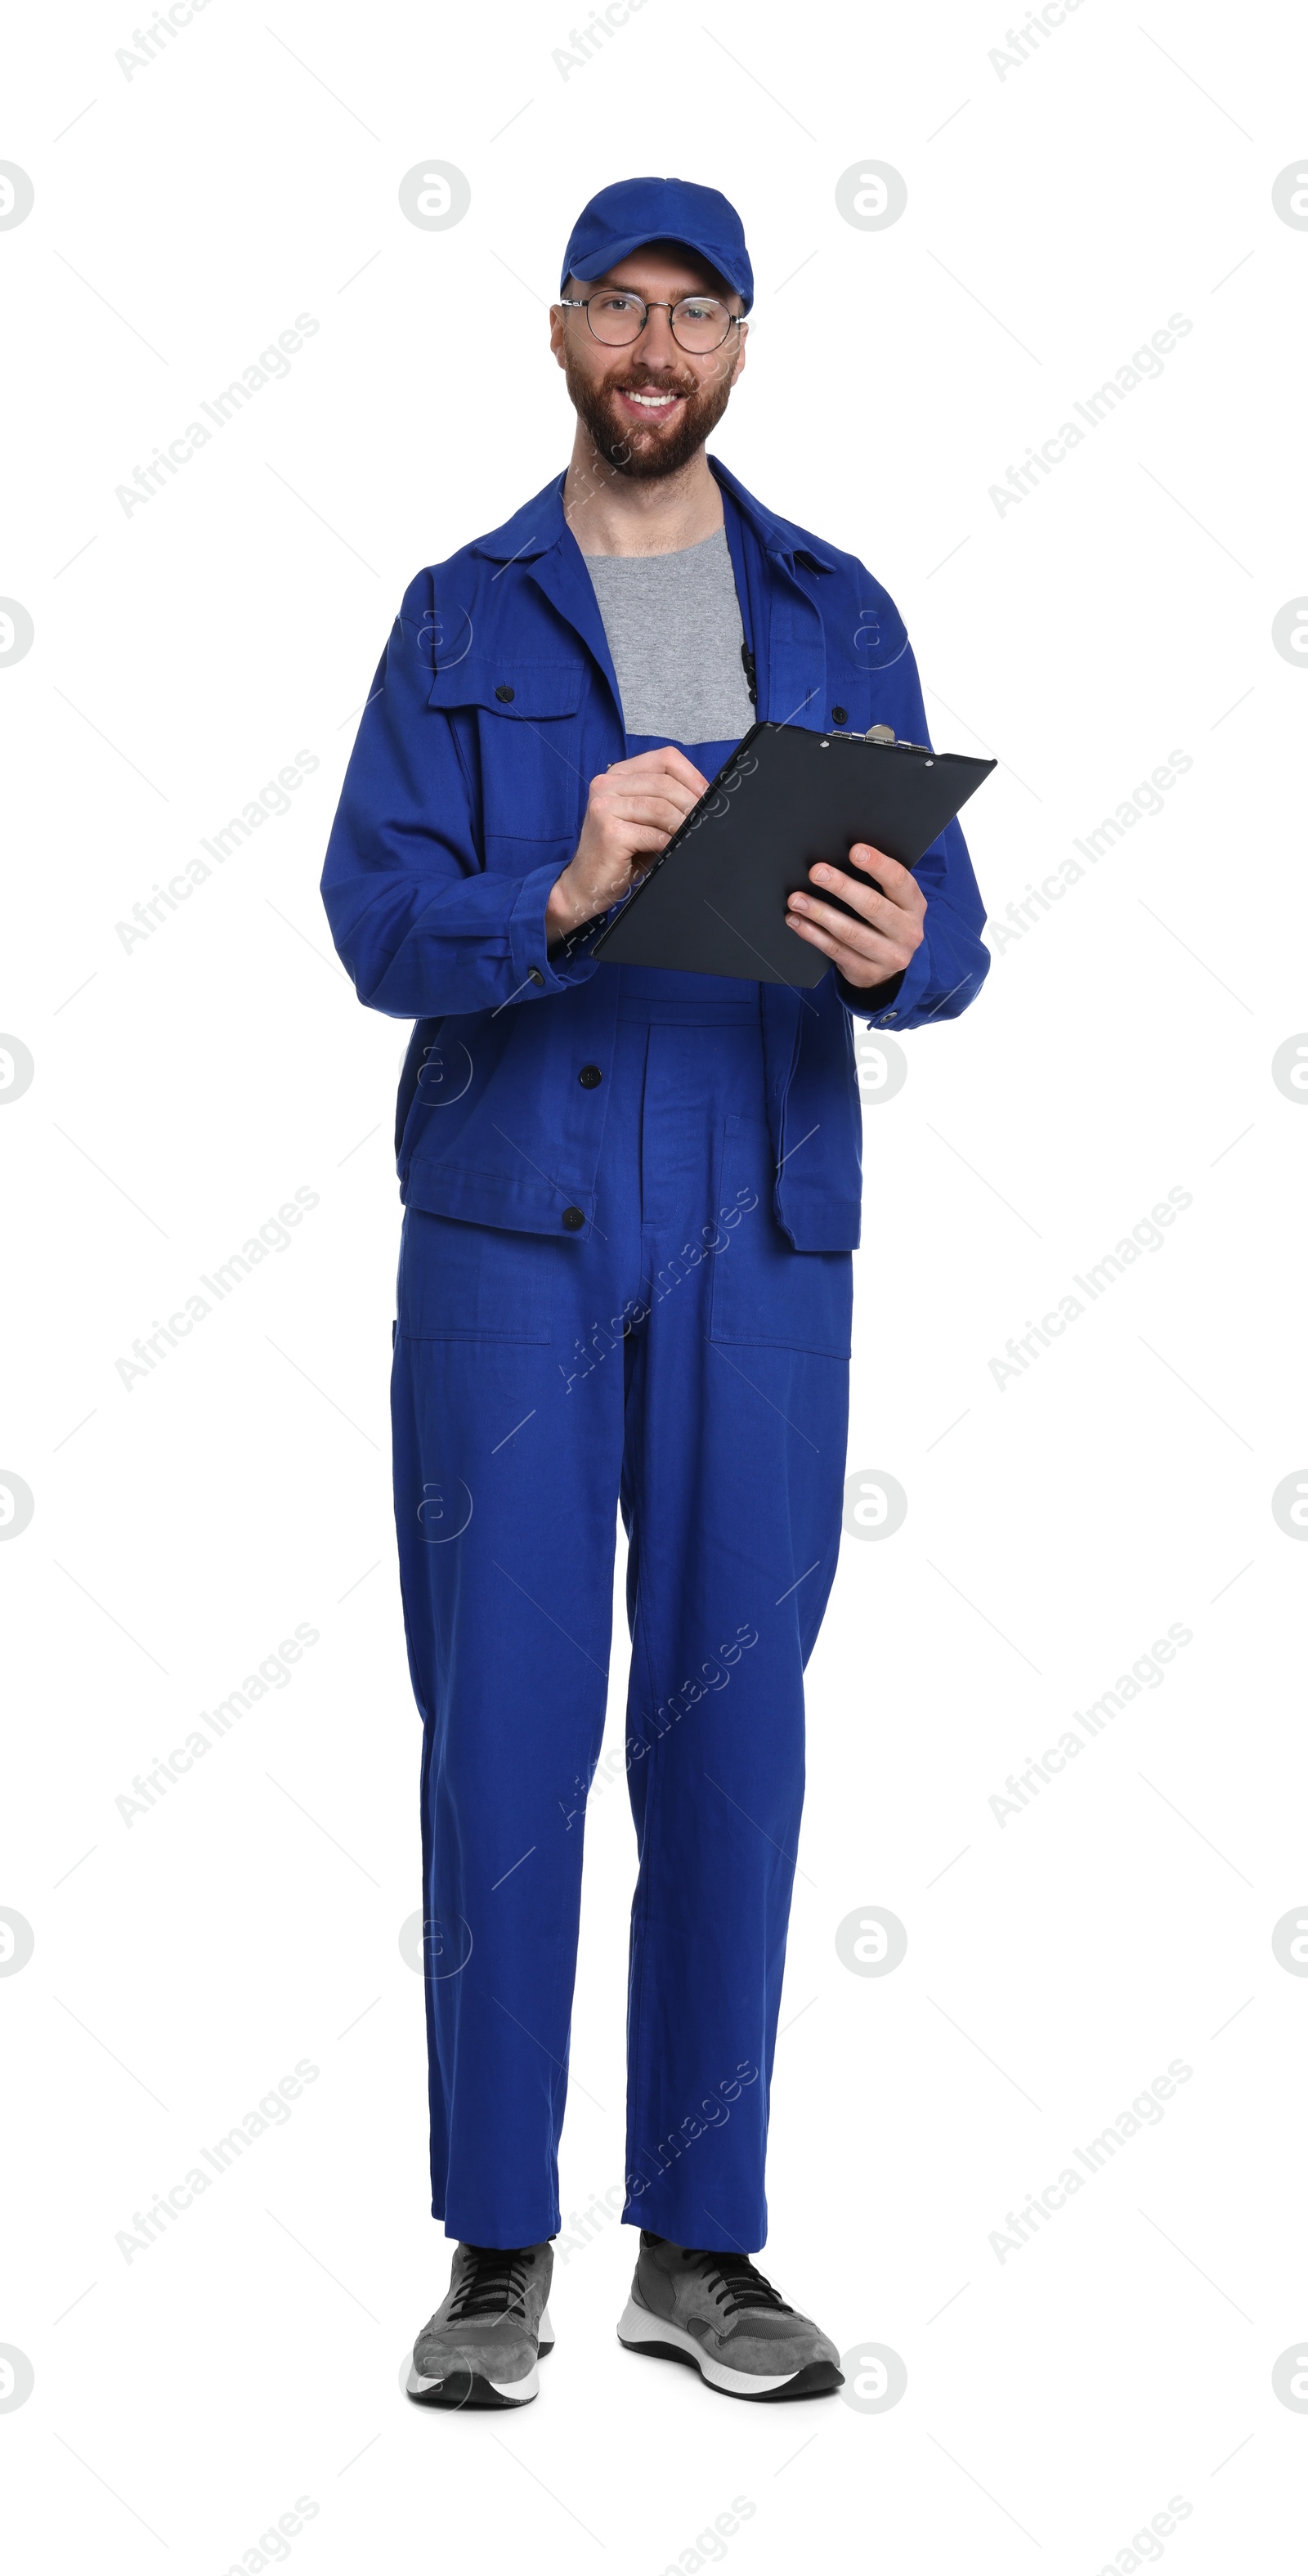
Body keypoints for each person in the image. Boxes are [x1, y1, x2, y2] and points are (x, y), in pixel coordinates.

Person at [320, 174, 990, 2411]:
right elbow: (376, 931)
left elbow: (951, 940)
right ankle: (495, 2248)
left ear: (737, 347)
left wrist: (916, 960)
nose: (653, 343)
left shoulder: (838, 608)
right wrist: (561, 887)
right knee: (502, 1732)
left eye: (693, 311)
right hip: (513, 1215)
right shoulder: (456, 616)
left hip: (760, 1211)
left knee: (732, 1731)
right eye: (619, 301)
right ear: (559, 332)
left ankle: (698, 2249)